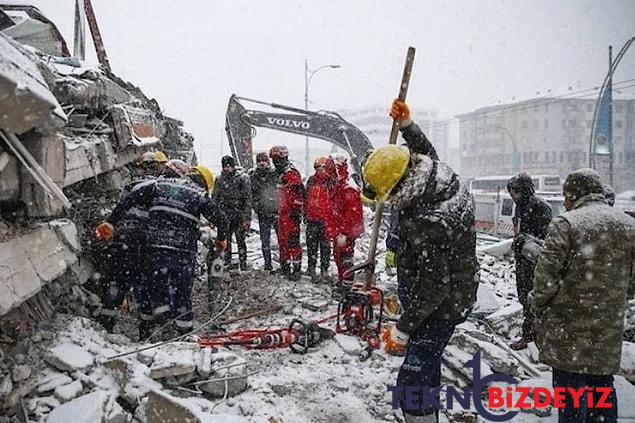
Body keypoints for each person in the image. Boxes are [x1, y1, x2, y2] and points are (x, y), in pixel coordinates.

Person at [365, 99, 479, 423]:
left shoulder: (429, 221)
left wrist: (403, 328)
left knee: (415, 372)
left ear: (401, 185)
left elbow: (433, 289)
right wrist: (408, 126)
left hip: (444, 304)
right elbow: (425, 153)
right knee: (424, 364)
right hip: (447, 290)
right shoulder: (435, 178)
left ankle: (420, 416)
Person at [531, 168, 635, 423]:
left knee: (572, 397)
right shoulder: (629, 226)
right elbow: (632, 284)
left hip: (568, 333)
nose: (565, 203)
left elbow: (544, 281)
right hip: (607, 331)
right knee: (602, 392)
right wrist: (611, 296)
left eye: (566, 197)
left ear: (575, 194)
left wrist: (538, 307)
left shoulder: (566, 224)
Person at [96, 165, 228, 339]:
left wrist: (111, 222)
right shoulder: (198, 194)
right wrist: (221, 239)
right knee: (182, 295)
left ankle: (149, 329)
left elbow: (130, 198)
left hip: (153, 248)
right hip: (182, 252)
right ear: (204, 183)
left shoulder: (158, 185)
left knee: (152, 291)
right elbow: (222, 220)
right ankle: (182, 334)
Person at [95, 153, 173, 333]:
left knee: (117, 283)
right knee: (147, 286)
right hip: (146, 242)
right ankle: (146, 329)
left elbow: (120, 208)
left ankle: (106, 325)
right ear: (159, 167)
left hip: (123, 238)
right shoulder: (159, 187)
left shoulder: (130, 186)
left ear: (140, 166)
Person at [506, 173, 552, 350]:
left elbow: (544, 239)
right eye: (510, 190)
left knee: (534, 299)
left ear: (525, 189)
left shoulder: (540, 207)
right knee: (524, 298)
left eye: (515, 190)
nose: (512, 194)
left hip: (535, 261)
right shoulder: (520, 206)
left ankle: (532, 337)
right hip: (522, 260)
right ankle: (531, 335)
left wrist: (526, 241)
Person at [269, 145, 305, 281]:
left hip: (291, 215)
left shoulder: (291, 174)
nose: (275, 162)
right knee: (282, 242)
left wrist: (296, 212)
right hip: (282, 214)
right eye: (274, 159)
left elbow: (298, 196)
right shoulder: (280, 174)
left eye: (277, 159)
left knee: (293, 243)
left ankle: (296, 269)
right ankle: (285, 268)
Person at [330, 154, 364, 289]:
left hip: (347, 231)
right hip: (340, 230)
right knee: (339, 256)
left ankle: (347, 286)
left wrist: (344, 233)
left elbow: (352, 214)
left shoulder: (348, 188)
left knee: (345, 258)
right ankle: (342, 280)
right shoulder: (339, 187)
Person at [213, 155, 252, 270]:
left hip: (239, 215)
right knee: (226, 240)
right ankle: (227, 261)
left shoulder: (242, 179)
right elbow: (215, 198)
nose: (227, 168)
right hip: (225, 216)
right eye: (225, 166)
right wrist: (214, 217)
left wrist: (246, 217)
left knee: (241, 240)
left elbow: (247, 199)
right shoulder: (219, 180)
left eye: (229, 166)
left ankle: (243, 262)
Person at [305, 156, 336, 282]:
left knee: (325, 247)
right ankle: (311, 268)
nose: (320, 171)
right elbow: (306, 198)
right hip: (312, 219)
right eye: (318, 168)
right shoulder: (311, 181)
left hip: (325, 220)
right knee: (311, 246)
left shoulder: (330, 182)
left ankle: (324, 269)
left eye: (322, 168)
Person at [250, 152, 278, 271]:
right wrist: (257, 206)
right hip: (263, 213)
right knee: (265, 240)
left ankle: (284, 264)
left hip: (275, 212)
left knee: (281, 239)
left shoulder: (274, 174)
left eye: (264, 160)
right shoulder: (254, 176)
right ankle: (268, 264)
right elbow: (252, 194)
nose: (262, 163)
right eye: (259, 161)